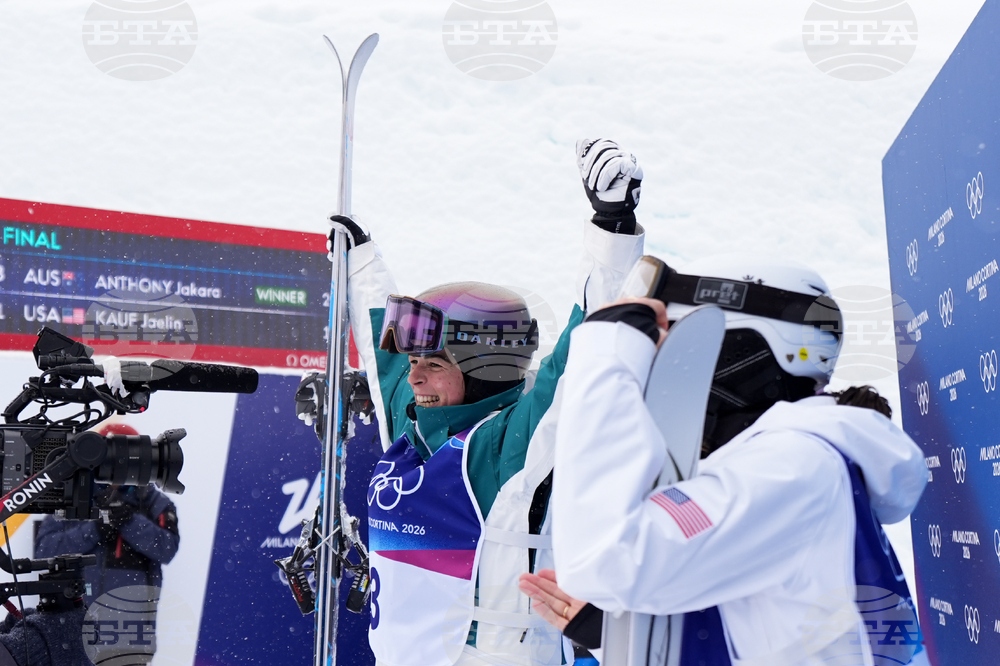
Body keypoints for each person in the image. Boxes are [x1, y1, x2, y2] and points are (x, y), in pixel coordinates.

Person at [519, 254, 930, 665]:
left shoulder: (791, 467)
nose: (662, 364)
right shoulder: (790, 463)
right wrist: (622, 629)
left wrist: (607, 355)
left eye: (678, 340)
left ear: (741, 345)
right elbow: (762, 629)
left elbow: (606, 560)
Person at [331, 139, 646, 666]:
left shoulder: (505, 447)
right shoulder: (413, 430)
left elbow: (584, 347)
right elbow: (380, 352)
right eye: (414, 361)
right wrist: (359, 259)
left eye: (434, 364)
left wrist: (611, 229)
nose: (415, 377)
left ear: (482, 373)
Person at [34, 422, 180, 665]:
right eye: (107, 458)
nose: (117, 466)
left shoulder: (155, 503)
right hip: (70, 635)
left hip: (128, 639)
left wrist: (129, 521)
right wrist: (94, 529)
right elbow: (44, 551)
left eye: (127, 459)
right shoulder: (72, 496)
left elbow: (167, 549)